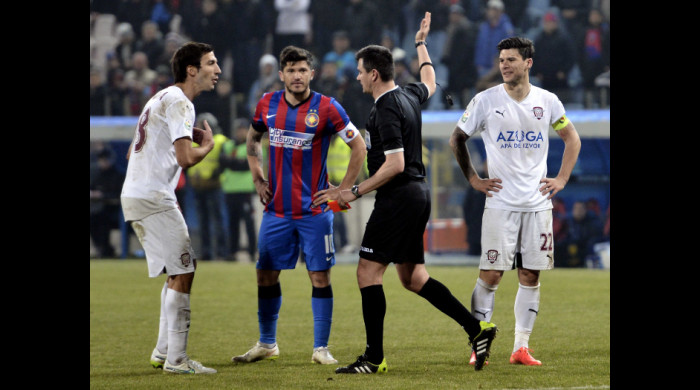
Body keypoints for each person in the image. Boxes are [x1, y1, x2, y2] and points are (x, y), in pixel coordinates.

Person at [325, 12, 497, 374]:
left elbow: (395, 164)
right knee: (412, 277)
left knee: (367, 274)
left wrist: (354, 191)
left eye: (359, 70)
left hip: (400, 196)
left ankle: (374, 358)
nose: (356, 76)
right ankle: (476, 328)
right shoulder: (407, 94)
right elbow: (430, 80)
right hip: (418, 195)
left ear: (373, 73)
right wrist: (421, 43)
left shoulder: (386, 107)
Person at [449, 36, 582, 367]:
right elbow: (457, 138)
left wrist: (562, 178)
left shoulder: (548, 101)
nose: (504, 65)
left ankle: (521, 347)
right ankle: (479, 341)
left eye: (511, 59)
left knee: (530, 276)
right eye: (501, 60)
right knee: (491, 275)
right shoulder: (485, 100)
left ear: (528, 63)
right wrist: (473, 179)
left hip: (537, 205)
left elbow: (571, 138)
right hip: (500, 205)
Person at [232, 45, 367, 366]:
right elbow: (252, 140)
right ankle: (267, 343)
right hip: (276, 210)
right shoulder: (267, 104)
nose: (296, 75)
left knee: (320, 277)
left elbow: (358, 146)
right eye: (290, 70)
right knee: (265, 274)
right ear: (281, 75)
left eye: (302, 69)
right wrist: (258, 179)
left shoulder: (328, 108)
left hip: (315, 212)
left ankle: (321, 348)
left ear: (311, 73)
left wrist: (343, 190)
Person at [120, 41, 221, 375]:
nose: (217, 70)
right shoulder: (182, 102)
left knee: (176, 271)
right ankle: (177, 360)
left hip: (136, 193)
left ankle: (164, 352)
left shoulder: (160, 97)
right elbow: (186, 158)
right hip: (153, 196)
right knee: (185, 269)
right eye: (211, 63)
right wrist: (207, 146)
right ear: (192, 69)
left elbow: (133, 150)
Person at [187, 112, 229, 260]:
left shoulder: (220, 141)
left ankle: (222, 251)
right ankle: (206, 252)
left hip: (214, 185)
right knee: (203, 221)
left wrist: (214, 174)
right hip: (198, 186)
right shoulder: (193, 142)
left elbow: (224, 162)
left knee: (217, 220)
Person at [219, 118, 258, 262]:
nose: (240, 132)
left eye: (242, 129)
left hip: (245, 190)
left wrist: (232, 162)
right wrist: (238, 162)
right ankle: (232, 252)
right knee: (232, 223)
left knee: (249, 223)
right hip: (230, 190)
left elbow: (247, 165)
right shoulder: (228, 145)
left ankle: (252, 252)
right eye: (238, 129)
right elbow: (222, 161)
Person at [532, 12, 575, 104]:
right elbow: (534, 57)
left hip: (560, 78)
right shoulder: (539, 39)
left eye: (551, 22)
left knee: (562, 104)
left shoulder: (563, 38)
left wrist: (564, 71)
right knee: (546, 104)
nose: (549, 25)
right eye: (547, 22)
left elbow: (570, 57)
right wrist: (536, 72)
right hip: (545, 78)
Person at [90, 147, 124, 258]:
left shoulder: (118, 175)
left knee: (102, 220)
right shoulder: (97, 175)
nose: (102, 163)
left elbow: (120, 194)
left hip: (116, 210)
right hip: (99, 210)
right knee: (94, 219)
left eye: (105, 160)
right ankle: (102, 248)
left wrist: (102, 195)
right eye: (101, 160)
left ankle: (106, 250)